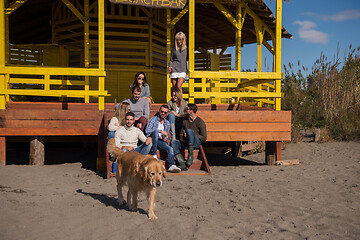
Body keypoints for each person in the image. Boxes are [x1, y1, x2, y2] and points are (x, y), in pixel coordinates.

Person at [145, 105, 181, 173]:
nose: (163, 113)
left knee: (170, 148)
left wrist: (164, 137)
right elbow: (147, 131)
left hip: (160, 141)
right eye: (162, 112)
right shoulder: (153, 119)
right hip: (152, 139)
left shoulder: (167, 123)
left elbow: (166, 136)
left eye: (165, 112)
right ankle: (154, 154)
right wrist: (160, 131)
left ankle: (172, 165)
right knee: (155, 132)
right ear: (159, 111)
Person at [171, 104, 207, 171]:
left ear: (191, 111)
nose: (185, 110)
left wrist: (192, 135)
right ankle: (182, 163)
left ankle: (190, 157)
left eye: (187, 109)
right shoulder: (185, 121)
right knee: (173, 142)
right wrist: (181, 137)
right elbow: (182, 132)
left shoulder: (200, 122)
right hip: (186, 142)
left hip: (195, 143)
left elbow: (204, 138)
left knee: (189, 131)